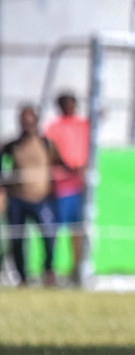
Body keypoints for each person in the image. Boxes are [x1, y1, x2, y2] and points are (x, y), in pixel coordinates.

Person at [1, 105, 61, 286]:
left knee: (49, 236)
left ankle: (48, 271)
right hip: (17, 200)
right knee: (17, 240)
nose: (27, 125)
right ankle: (22, 277)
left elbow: (59, 164)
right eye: (23, 121)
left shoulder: (46, 144)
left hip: (41, 199)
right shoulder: (12, 145)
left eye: (30, 121)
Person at [45, 92, 89, 283]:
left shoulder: (83, 125)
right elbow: (51, 153)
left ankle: (78, 267)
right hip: (60, 186)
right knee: (54, 230)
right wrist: (67, 167)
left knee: (77, 230)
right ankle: (50, 268)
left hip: (79, 187)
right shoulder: (53, 128)